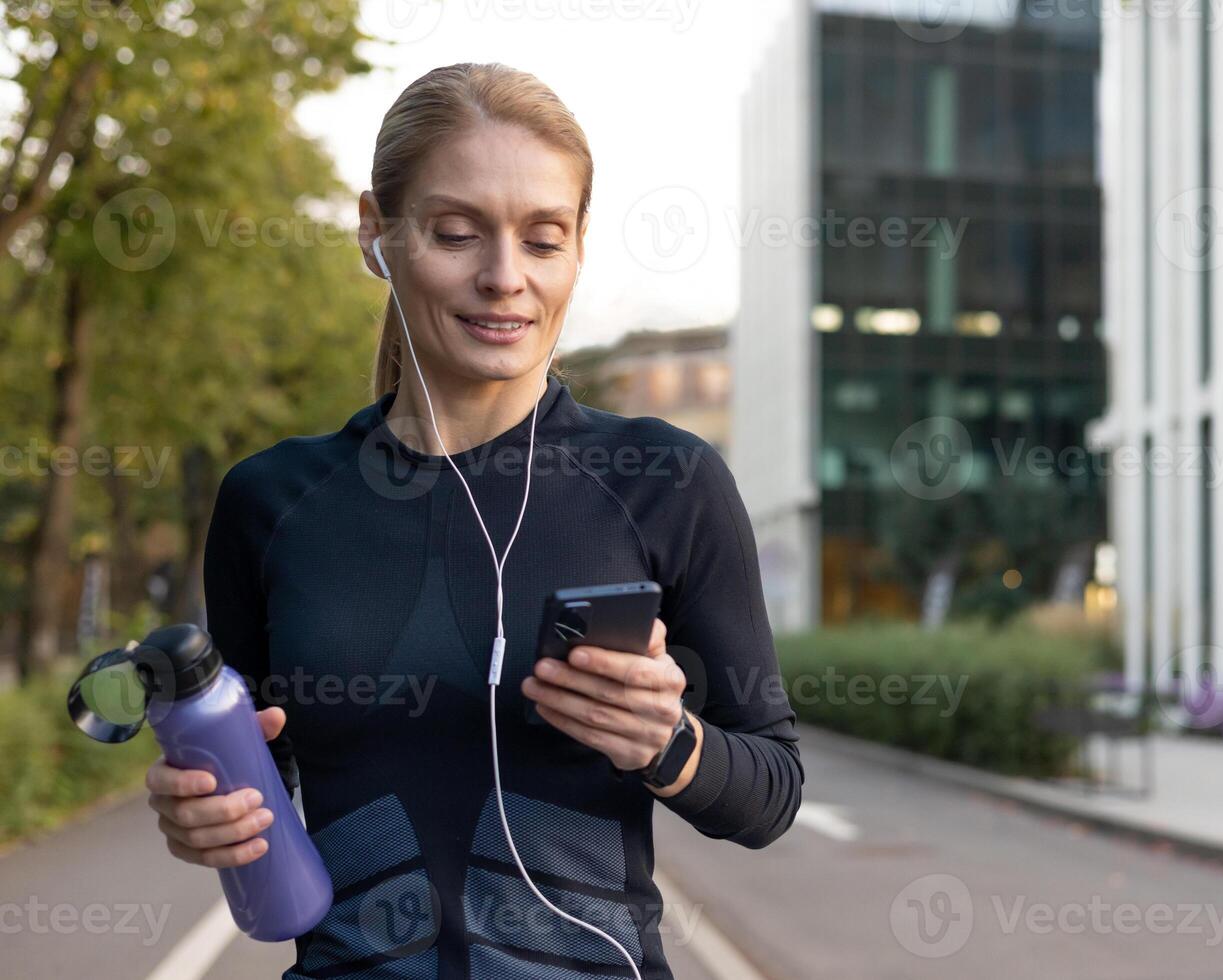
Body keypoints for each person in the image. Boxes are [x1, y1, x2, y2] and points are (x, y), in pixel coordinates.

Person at [142, 62, 803, 979]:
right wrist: (201, 814)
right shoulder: (272, 500)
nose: (504, 279)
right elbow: (256, 787)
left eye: (543, 239)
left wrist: (667, 742)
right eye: (456, 234)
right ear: (376, 233)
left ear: (576, 251)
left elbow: (770, 793)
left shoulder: (666, 480)